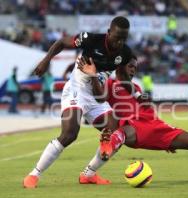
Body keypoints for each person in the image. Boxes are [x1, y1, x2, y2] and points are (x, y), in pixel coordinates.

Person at [23, 16, 136, 188]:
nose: (119, 42)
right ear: (108, 33)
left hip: (95, 94)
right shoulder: (90, 40)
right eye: (116, 37)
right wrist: (45, 61)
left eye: (123, 38)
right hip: (77, 89)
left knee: (116, 134)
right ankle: (33, 175)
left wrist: (135, 94)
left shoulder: (124, 53)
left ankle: (88, 174)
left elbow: (122, 76)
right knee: (69, 134)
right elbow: (61, 42)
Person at [77, 56, 188, 182]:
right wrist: (93, 75)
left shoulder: (136, 88)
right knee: (123, 131)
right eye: (130, 66)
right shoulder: (111, 84)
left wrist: (167, 140)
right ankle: (107, 144)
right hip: (133, 127)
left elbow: (148, 112)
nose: (133, 70)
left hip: (157, 127)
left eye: (135, 67)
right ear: (119, 67)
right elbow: (99, 97)